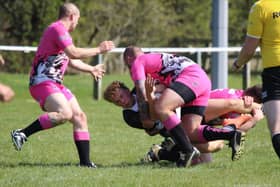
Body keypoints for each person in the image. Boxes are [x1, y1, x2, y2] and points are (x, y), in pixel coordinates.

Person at [10, 2, 115, 168]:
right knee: (65, 113)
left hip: (55, 83)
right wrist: (98, 50)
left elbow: (70, 59)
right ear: (72, 17)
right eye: (77, 20)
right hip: (42, 81)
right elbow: (73, 52)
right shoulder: (57, 29)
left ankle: (85, 164)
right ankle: (22, 133)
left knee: (80, 117)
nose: (77, 23)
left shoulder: (61, 33)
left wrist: (91, 69)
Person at [123, 46, 245, 167]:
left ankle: (188, 152)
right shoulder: (153, 58)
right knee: (190, 132)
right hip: (200, 78)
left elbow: (140, 91)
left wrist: (145, 121)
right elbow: (162, 85)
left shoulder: (137, 62)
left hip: (190, 77)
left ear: (129, 59)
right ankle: (232, 135)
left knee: (162, 107)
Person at [232, 0, 280, 159]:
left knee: (277, 129)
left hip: (275, 72)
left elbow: (249, 50)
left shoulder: (261, 7)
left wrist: (238, 63)